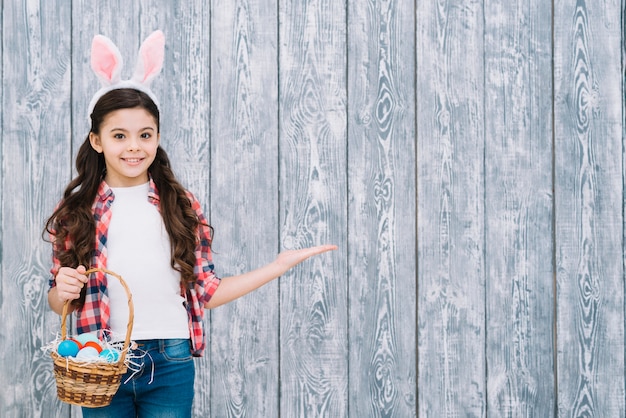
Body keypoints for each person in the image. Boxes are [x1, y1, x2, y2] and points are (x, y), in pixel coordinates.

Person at [45, 30, 336, 418]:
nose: (134, 146)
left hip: (171, 356)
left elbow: (207, 291)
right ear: (97, 141)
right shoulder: (77, 210)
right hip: (99, 358)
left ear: (158, 138)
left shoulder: (179, 205)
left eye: (144, 135)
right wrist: (62, 290)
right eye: (119, 135)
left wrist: (277, 266)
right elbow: (57, 301)